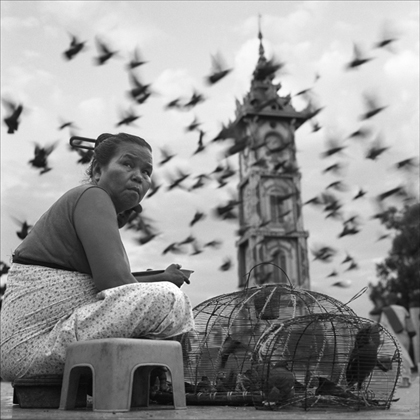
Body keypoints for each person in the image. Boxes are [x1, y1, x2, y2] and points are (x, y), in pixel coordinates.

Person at [0, 132, 195, 382]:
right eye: (127, 164)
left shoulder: (89, 202)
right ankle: (162, 380)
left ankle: (152, 381)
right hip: (35, 347)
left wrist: (161, 276)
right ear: (97, 172)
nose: (138, 176)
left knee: (163, 294)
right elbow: (116, 284)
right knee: (168, 299)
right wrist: (163, 282)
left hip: (23, 352)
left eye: (146, 172)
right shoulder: (93, 196)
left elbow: (107, 282)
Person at [379, 292, 415, 385]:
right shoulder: (402, 309)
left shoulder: (386, 311)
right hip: (404, 337)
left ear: (388, 300)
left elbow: (383, 325)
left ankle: (402, 380)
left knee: (398, 359)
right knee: (405, 358)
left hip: (393, 338)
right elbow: (409, 324)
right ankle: (407, 379)